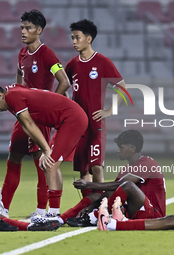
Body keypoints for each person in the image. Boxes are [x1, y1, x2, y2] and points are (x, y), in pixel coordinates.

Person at [0, 83, 88, 218]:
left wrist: (46, 150)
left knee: (50, 164)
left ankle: (52, 214)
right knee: (49, 164)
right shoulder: (11, 93)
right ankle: (54, 211)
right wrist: (44, 149)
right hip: (67, 119)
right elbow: (25, 126)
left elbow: (29, 123)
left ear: (0, 96)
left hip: (72, 119)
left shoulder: (12, 97)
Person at [3, 9, 71, 219]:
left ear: (39, 30)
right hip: (23, 116)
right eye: (22, 27)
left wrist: (48, 106)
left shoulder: (46, 54)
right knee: (13, 159)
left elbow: (65, 81)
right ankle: (2, 209)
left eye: (28, 28)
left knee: (41, 162)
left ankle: (42, 211)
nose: (23, 31)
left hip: (39, 119)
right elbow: (18, 82)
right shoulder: (22, 54)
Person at [32, 130, 166, 226]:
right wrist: (93, 205)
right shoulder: (126, 168)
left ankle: (93, 218)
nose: (118, 150)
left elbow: (119, 186)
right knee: (95, 196)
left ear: (132, 148)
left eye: (121, 147)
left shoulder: (148, 163)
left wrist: (87, 185)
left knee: (127, 186)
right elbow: (112, 191)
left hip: (153, 215)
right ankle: (60, 219)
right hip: (136, 209)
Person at [65, 19, 127, 198]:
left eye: (77, 37)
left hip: (95, 124)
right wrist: (69, 109)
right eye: (72, 38)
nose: (74, 41)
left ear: (89, 39)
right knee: (83, 171)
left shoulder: (102, 62)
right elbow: (63, 86)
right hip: (78, 126)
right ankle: (88, 208)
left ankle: (102, 207)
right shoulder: (72, 64)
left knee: (96, 167)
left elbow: (122, 87)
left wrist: (108, 110)